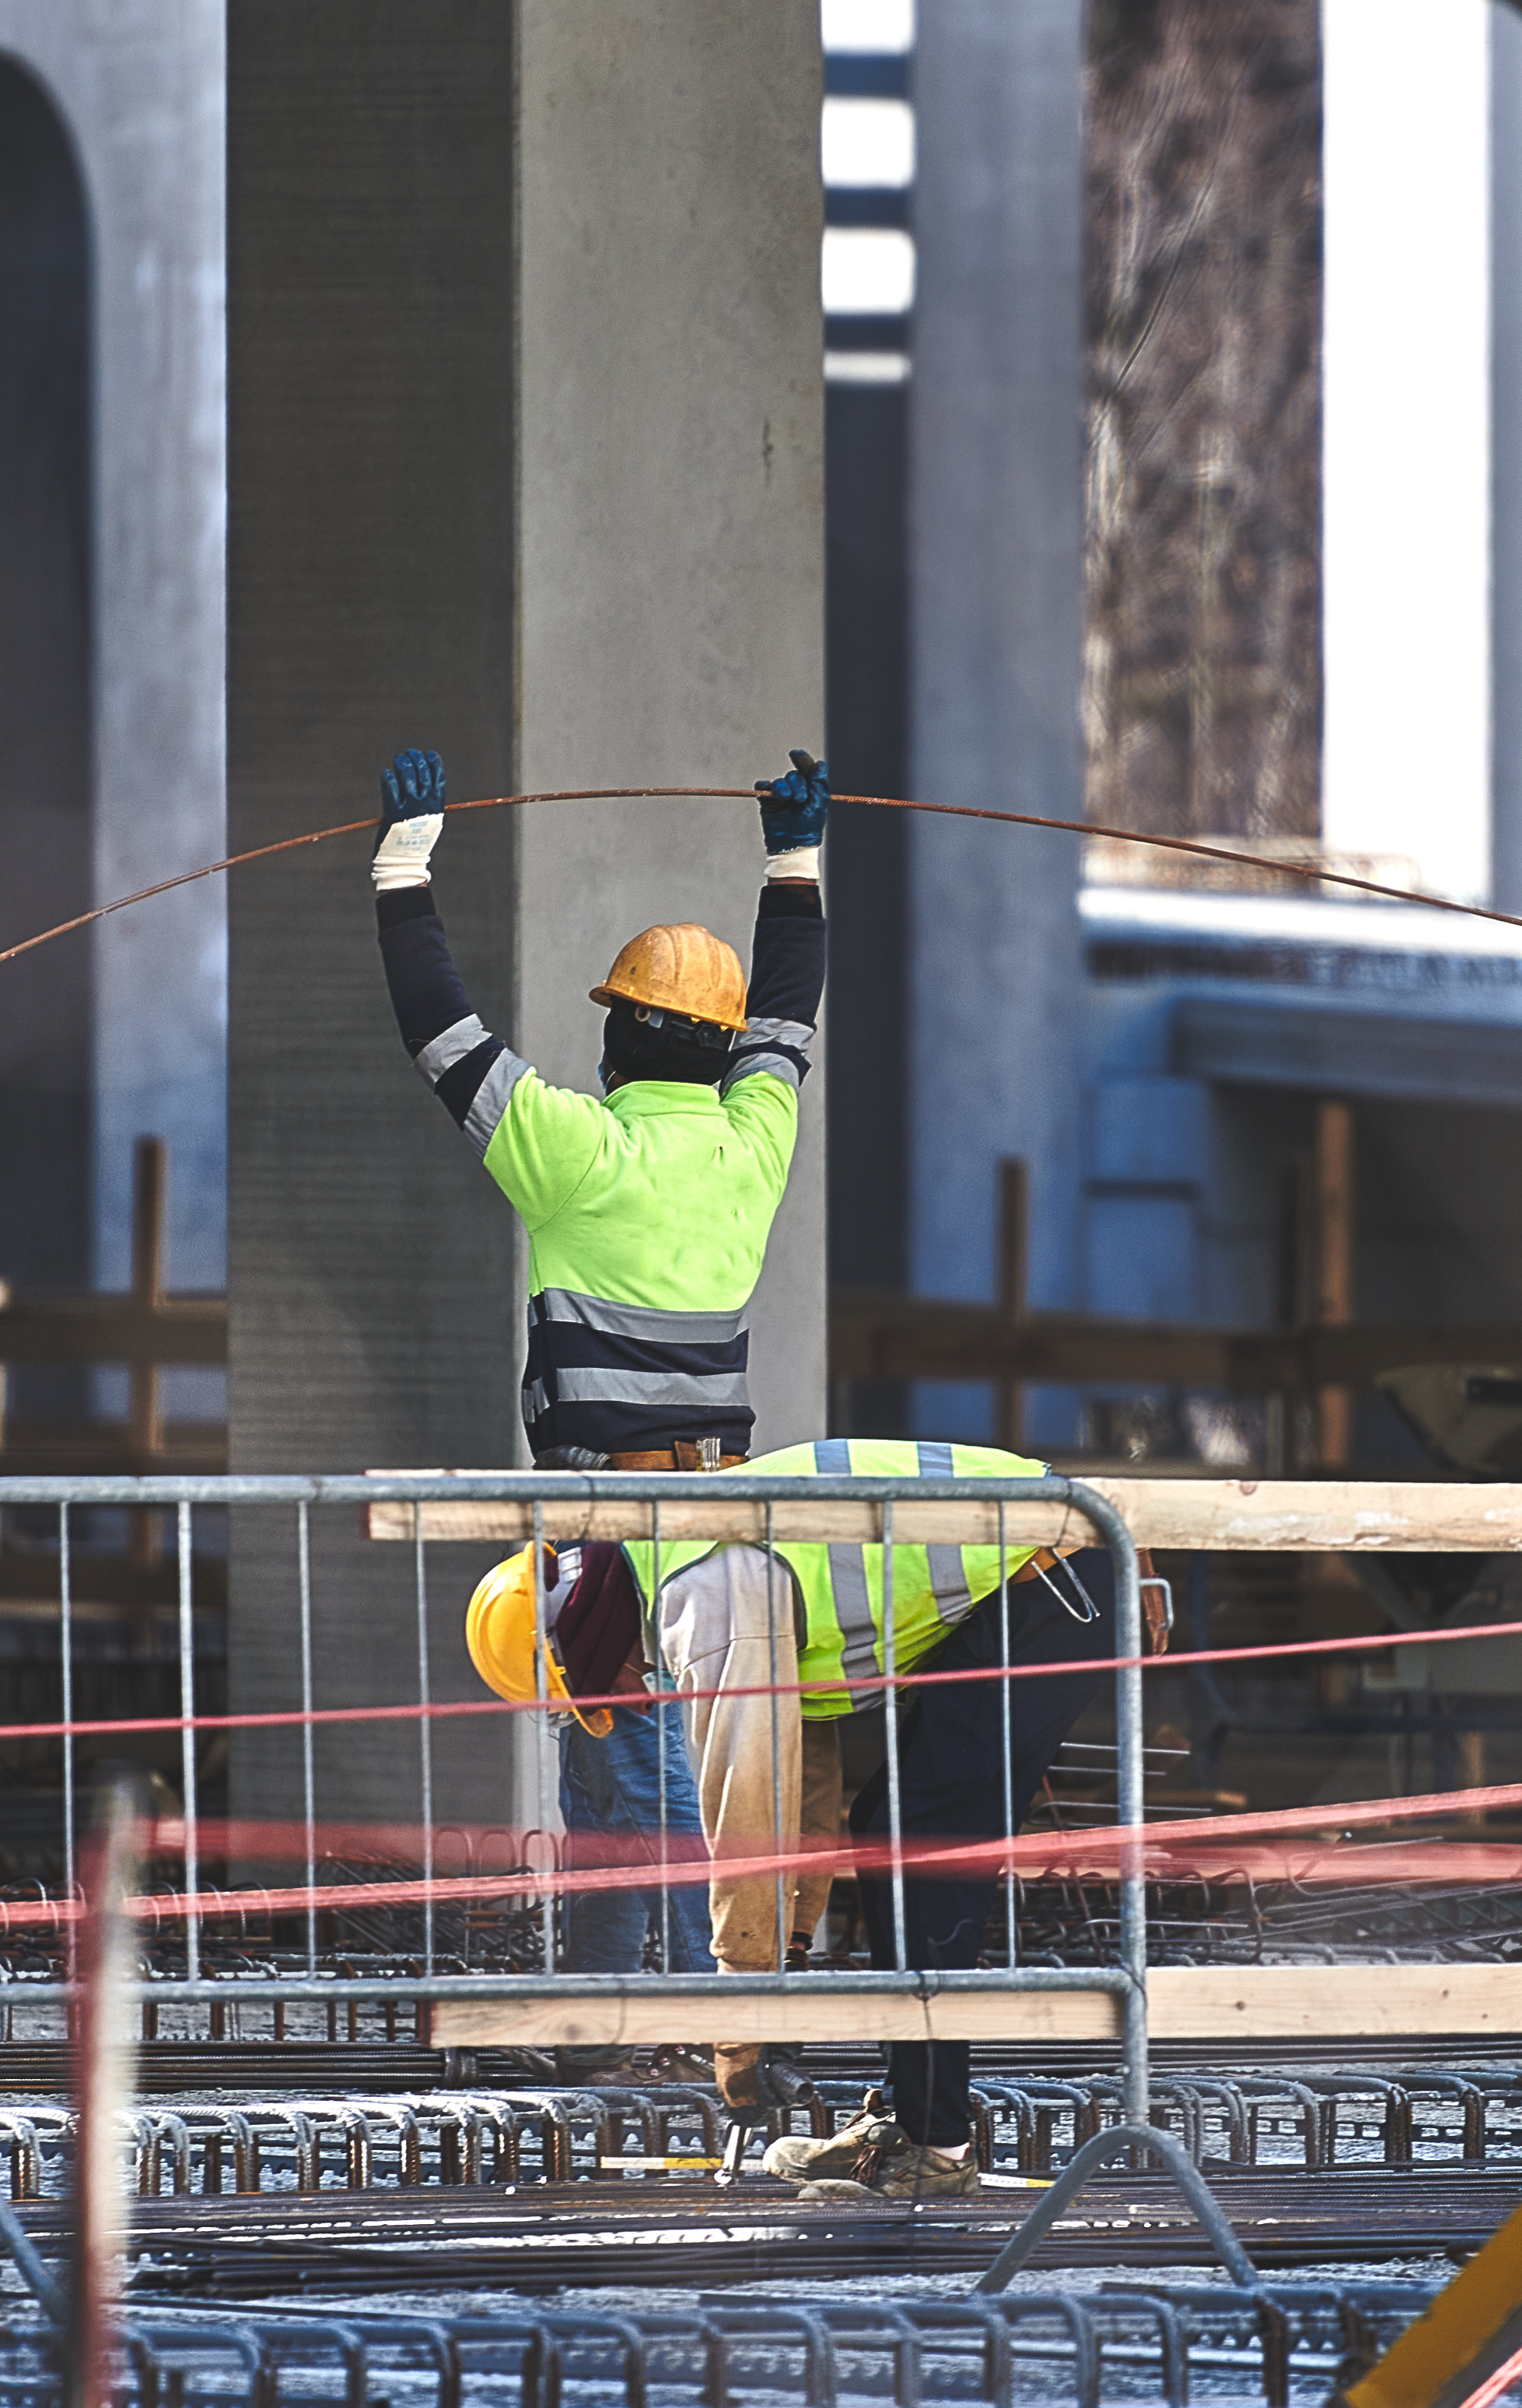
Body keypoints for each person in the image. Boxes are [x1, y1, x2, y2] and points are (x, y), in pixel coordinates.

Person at [474, 1438, 1150, 2192]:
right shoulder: (676, 1560)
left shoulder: (703, 1593)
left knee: (920, 1843)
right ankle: (911, 2119)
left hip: (1054, 1571)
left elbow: (747, 1808)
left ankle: (937, 2148)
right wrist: (791, 1935)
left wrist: (742, 2011)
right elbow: (808, 1761)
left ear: (587, 1649)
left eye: (607, 1692)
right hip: (1042, 1564)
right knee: (889, 1828)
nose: (630, 1698)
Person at [369, 744, 828, 1469]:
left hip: (603, 1517)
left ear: (617, 1044)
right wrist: (795, 860)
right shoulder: (754, 1145)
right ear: (721, 1051)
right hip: (728, 1505)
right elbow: (782, 1025)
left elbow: (440, 1036)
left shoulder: (578, 1152)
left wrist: (401, 866)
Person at [464, 1545, 716, 2014]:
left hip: (628, 1646)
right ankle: (597, 2033)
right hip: (621, 1641)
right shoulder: (594, 1604)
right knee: (605, 1843)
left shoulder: (616, 1626)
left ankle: (713, 2025)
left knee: (654, 1821)